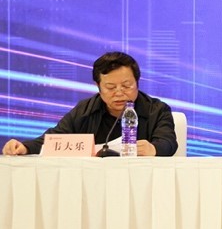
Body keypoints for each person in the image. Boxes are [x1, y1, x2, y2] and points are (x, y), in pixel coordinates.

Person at [2, 51, 178, 156]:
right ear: (98, 87)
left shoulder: (157, 110)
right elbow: (56, 139)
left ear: (137, 83)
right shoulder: (85, 110)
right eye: (110, 87)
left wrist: (153, 149)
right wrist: (25, 147)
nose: (119, 93)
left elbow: (168, 142)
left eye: (126, 86)